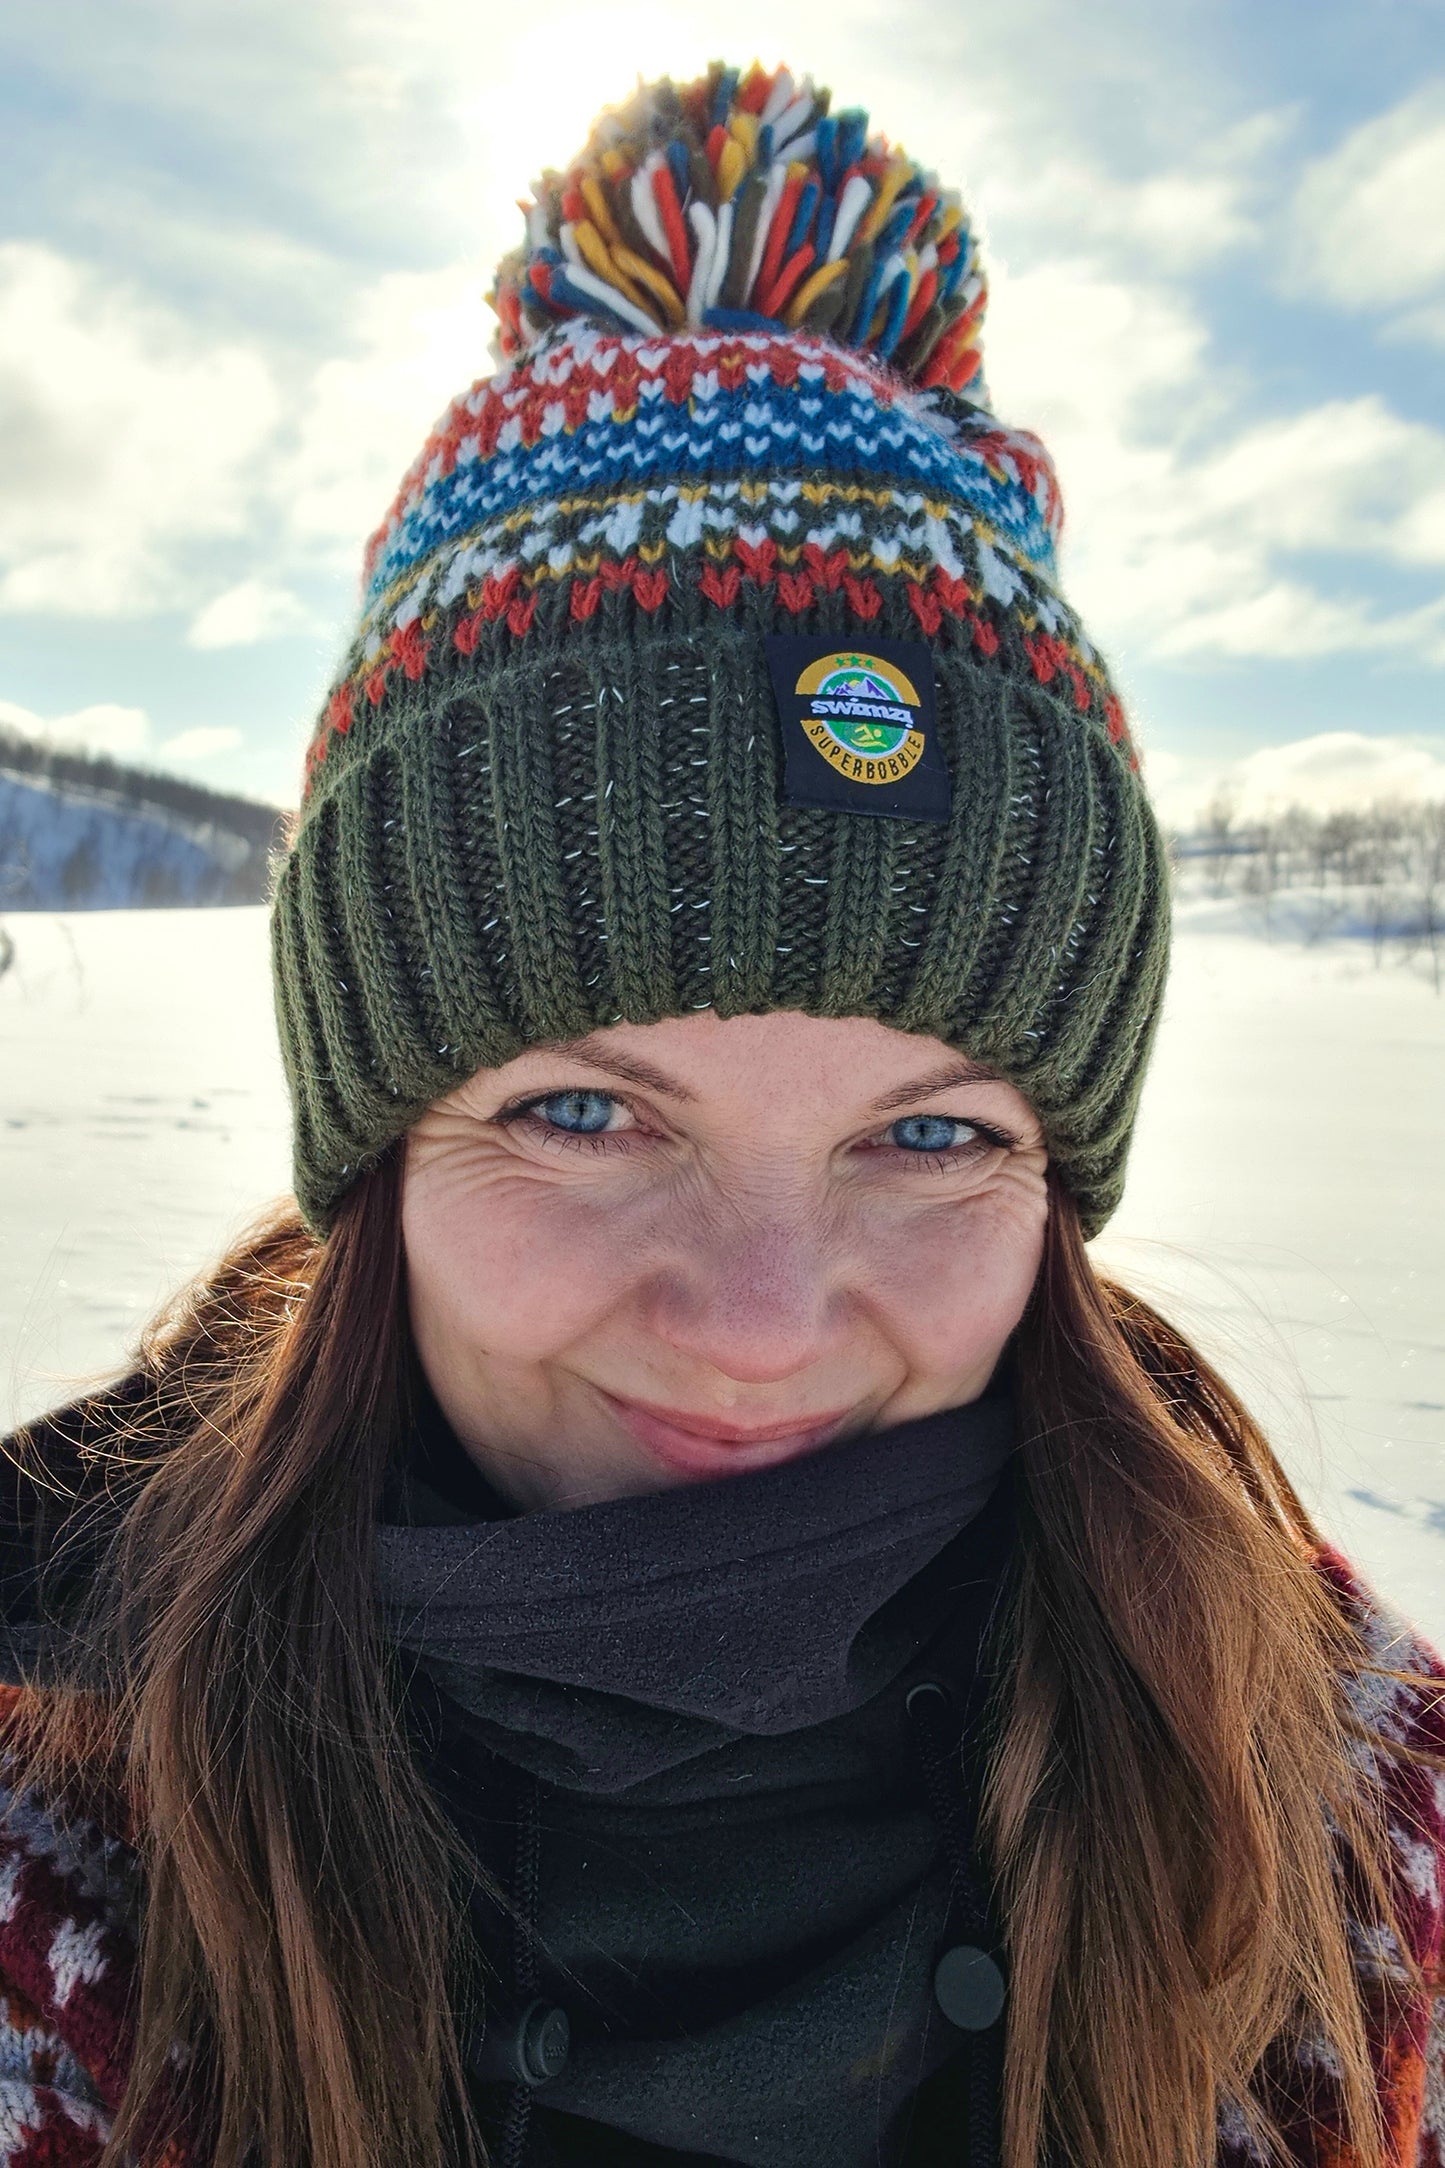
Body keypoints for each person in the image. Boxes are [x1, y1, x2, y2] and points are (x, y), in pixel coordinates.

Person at [0, 60, 1441, 2168]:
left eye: (931, 1134)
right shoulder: (61, 1861)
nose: (764, 1323)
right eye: (589, 1110)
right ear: (382, 1142)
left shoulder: (1355, 1857)